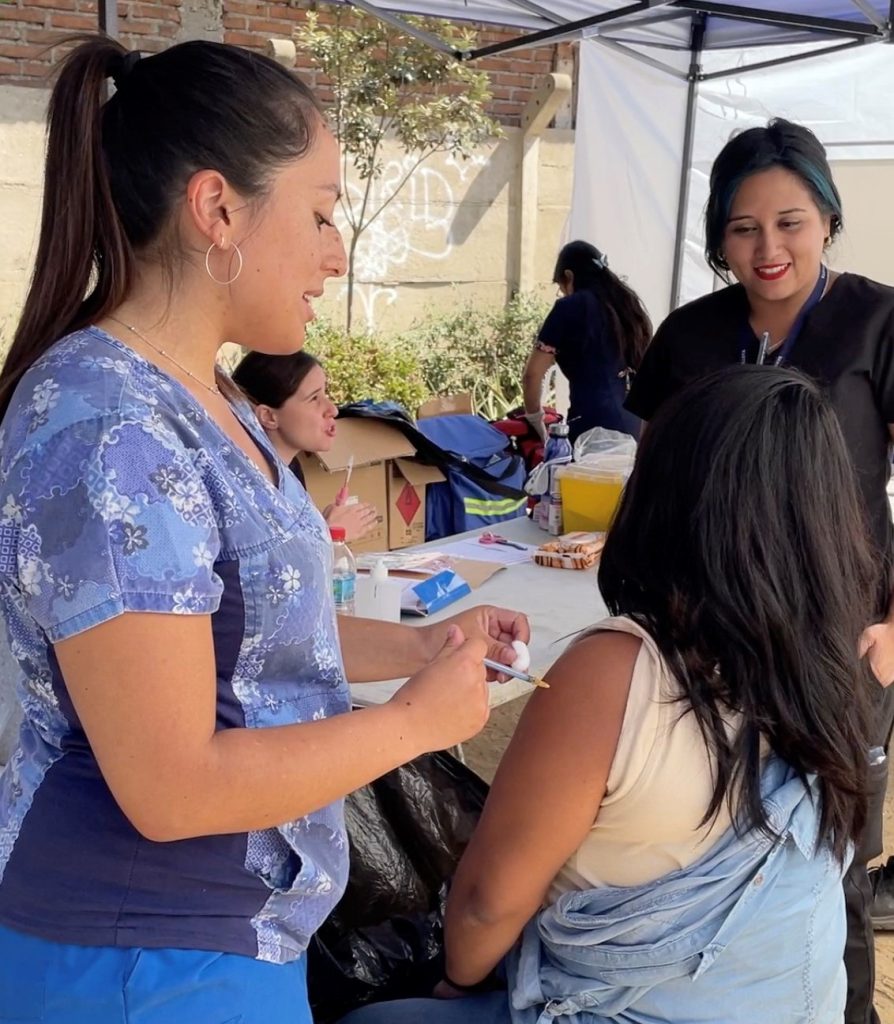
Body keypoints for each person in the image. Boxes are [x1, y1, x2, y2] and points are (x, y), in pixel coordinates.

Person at [0, 37, 529, 1024]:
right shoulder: (110, 427)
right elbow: (169, 785)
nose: (338, 252)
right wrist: (412, 724)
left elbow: (256, 635)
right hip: (135, 959)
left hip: (224, 935)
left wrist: (426, 647)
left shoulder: (213, 397)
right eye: (322, 213)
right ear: (218, 210)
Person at [337, 364, 876, 1024]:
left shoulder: (615, 671)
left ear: (665, 494)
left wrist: (457, 979)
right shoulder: (831, 656)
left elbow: (485, 906)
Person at [625, 117, 894, 1024]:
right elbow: (654, 477)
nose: (768, 247)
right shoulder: (690, 336)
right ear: (718, 236)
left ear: (825, 218)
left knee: (834, 864)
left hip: (843, 642)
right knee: (710, 845)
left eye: (791, 221)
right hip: (708, 641)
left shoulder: (877, 321)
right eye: (744, 228)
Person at [232, 349, 378, 543]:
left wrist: (319, 526)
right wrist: (329, 536)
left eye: (326, 394)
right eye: (314, 399)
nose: (332, 409)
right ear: (269, 416)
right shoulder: (245, 489)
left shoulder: (291, 470)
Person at [521, 240, 651, 445]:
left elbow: (532, 375)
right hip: (635, 425)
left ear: (569, 276)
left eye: (561, 287)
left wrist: (535, 420)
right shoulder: (628, 305)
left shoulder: (569, 307)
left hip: (591, 426)